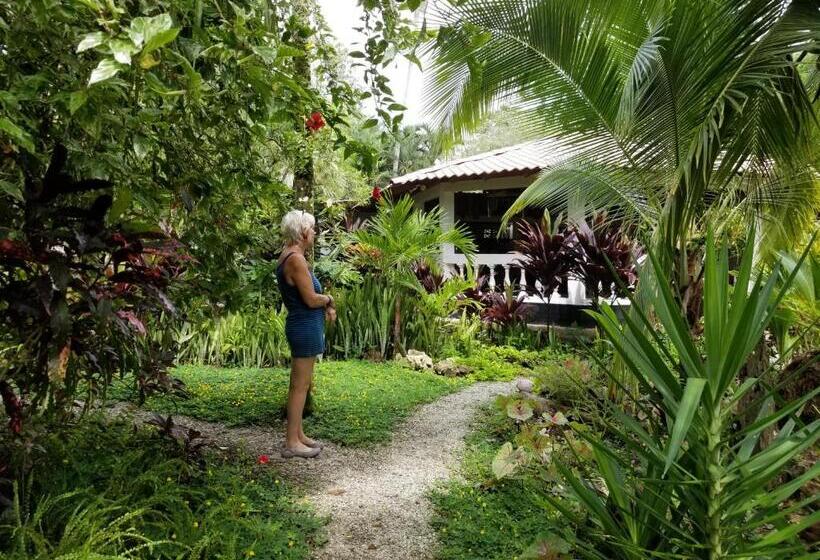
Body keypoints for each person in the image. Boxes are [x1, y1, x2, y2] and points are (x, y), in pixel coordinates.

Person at [276, 210, 336, 459]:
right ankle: (292, 442)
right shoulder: (295, 260)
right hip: (304, 326)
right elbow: (311, 300)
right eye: (311, 229)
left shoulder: (290, 255)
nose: (314, 233)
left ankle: (298, 434)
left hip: (304, 325)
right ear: (302, 233)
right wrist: (329, 299)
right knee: (300, 386)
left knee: (301, 384)